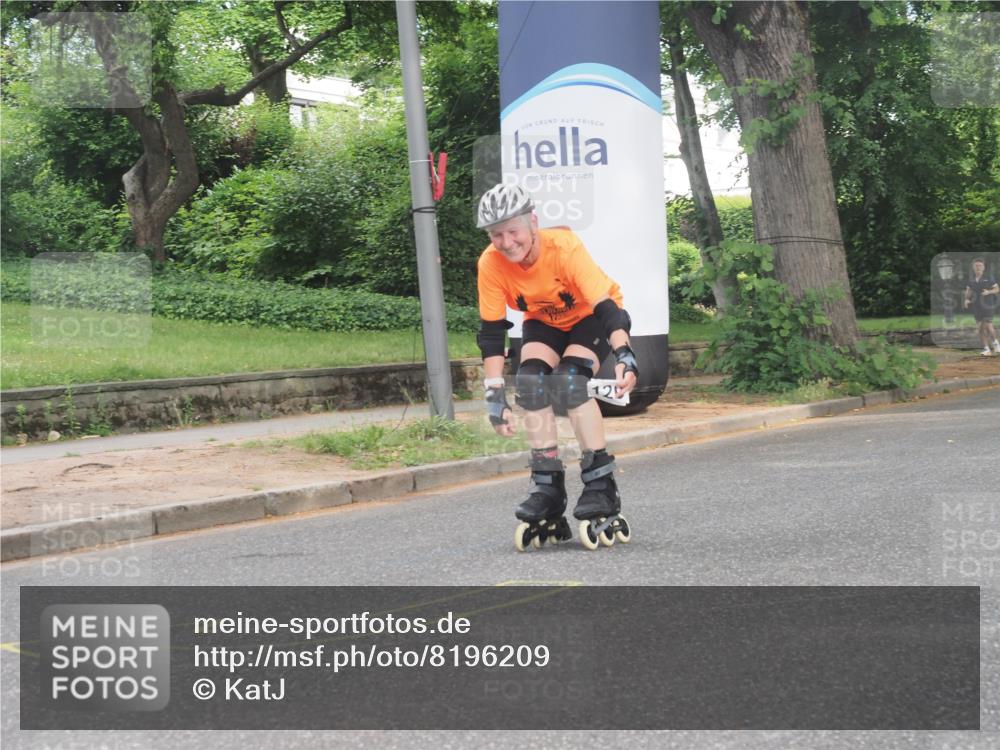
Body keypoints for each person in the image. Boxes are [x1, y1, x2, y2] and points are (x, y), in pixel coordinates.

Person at [474, 182, 637, 550]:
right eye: (496, 235)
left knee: (568, 382)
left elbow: (606, 308)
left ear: (532, 222)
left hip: (589, 317)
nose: (506, 242)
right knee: (530, 383)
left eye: (513, 231)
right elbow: (491, 333)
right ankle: (547, 485)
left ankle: (600, 483)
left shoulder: (564, 248)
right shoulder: (490, 263)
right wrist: (493, 394)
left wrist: (625, 355)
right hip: (544, 322)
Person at [962, 257, 1000, 356]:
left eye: (980, 265)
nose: (978, 267)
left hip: (988, 305)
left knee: (985, 326)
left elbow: (997, 289)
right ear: (973, 268)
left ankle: (992, 346)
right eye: (976, 265)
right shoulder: (971, 280)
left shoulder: (989, 278)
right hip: (976, 306)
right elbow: (968, 291)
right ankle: (990, 347)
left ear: (983, 267)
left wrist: (989, 292)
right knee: (983, 327)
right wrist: (966, 299)